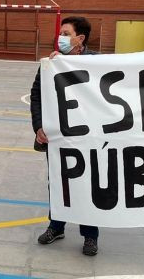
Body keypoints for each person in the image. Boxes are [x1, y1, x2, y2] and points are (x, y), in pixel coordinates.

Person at [30, 16, 101, 256]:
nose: (60, 37)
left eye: (66, 33)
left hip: (87, 137)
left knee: (88, 183)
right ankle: (56, 226)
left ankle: (90, 235)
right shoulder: (51, 63)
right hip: (58, 137)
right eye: (60, 32)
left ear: (80, 39)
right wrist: (39, 125)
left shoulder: (98, 62)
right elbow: (36, 94)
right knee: (59, 182)